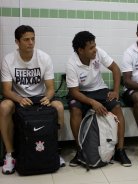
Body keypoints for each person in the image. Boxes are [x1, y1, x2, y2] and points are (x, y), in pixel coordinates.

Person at [0, 25, 65, 175]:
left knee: (59, 107)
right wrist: (19, 98)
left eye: (33, 39)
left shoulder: (44, 57)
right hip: (18, 97)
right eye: (26, 39)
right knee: (4, 107)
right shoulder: (8, 60)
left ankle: (54, 150)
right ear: (17, 42)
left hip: (40, 97)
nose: (30, 42)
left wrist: (48, 98)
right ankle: (10, 155)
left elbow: (50, 88)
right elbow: (6, 90)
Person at [66, 31, 131, 167]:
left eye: (95, 46)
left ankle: (120, 150)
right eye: (91, 48)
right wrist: (92, 103)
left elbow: (115, 69)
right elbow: (74, 92)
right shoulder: (72, 63)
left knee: (117, 108)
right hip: (81, 93)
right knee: (75, 111)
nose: (94, 50)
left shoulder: (98, 53)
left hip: (100, 89)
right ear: (80, 50)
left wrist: (115, 90)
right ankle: (80, 151)